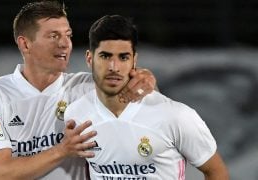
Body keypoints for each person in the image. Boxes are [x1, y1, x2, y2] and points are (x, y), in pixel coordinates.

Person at [0, 1, 156, 180]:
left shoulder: (86, 87)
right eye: (54, 36)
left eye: (68, 35)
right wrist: (62, 150)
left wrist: (146, 81)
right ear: (25, 44)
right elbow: (1, 172)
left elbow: (150, 104)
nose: (65, 44)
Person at [64, 15, 230, 180]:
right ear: (89, 58)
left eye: (123, 57)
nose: (113, 67)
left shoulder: (176, 116)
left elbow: (216, 172)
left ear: (134, 61)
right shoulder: (75, 114)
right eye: (105, 56)